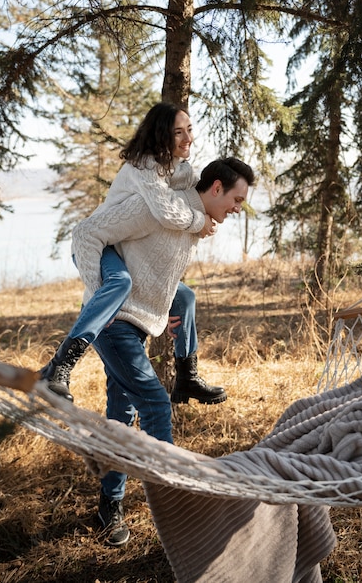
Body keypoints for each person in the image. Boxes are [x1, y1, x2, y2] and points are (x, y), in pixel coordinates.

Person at [91, 156, 255, 546]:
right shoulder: (168, 210)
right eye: (237, 199)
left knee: (120, 415)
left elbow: (154, 270)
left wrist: (163, 310)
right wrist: (103, 300)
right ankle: (176, 507)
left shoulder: (191, 222)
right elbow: (99, 237)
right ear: (216, 188)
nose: (237, 208)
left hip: (136, 322)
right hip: (114, 325)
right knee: (155, 406)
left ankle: (107, 507)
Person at [40, 102, 225, 405]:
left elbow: (195, 198)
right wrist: (200, 222)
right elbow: (166, 212)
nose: (187, 138)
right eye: (177, 132)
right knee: (120, 283)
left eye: (189, 130)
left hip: (124, 250)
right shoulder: (144, 165)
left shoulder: (181, 169)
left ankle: (187, 375)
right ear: (160, 136)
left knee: (184, 298)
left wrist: (165, 307)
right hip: (97, 245)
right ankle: (61, 365)